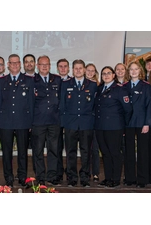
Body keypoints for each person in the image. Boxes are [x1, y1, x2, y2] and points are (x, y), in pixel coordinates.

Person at [0, 54, 35, 187]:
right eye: (11, 63)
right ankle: (8, 177)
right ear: (8, 65)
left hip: (22, 121)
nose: (14, 65)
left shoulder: (29, 80)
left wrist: (30, 122)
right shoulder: (2, 81)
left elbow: (31, 102)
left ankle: (22, 177)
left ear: (20, 64)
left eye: (17, 63)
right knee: (6, 152)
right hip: (5, 122)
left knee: (22, 152)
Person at [60, 59, 97, 187]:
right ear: (72, 70)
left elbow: (94, 105)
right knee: (70, 152)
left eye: (80, 68)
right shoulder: (65, 84)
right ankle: (72, 177)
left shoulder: (92, 85)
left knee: (86, 151)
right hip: (70, 123)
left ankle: (85, 177)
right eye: (76, 68)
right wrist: (64, 123)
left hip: (86, 124)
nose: (78, 70)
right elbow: (62, 105)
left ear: (85, 70)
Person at [94, 66, 132, 188]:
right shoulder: (100, 89)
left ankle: (115, 179)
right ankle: (108, 178)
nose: (106, 75)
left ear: (113, 75)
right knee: (105, 153)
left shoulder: (120, 89)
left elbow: (128, 109)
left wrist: (124, 126)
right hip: (100, 127)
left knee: (115, 153)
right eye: (103, 73)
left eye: (108, 73)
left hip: (115, 127)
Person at [32, 55, 61, 186]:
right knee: (37, 150)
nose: (44, 66)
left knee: (53, 149)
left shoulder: (58, 79)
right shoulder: (32, 80)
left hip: (54, 121)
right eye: (42, 64)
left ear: (50, 66)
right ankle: (40, 176)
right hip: (38, 121)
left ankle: (52, 175)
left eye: (47, 64)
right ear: (37, 66)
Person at [123, 61, 151, 188]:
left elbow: (149, 106)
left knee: (142, 151)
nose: (134, 71)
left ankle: (142, 179)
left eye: (136, 69)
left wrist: (147, 123)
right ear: (128, 72)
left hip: (141, 122)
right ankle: (130, 178)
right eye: (131, 69)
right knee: (128, 151)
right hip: (128, 122)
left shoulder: (146, 86)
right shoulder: (124, 86)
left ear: (140, 71)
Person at [56, 58, 70, 182]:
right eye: (60, 66)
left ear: (69, 68)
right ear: (57, 68)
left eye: (65, 66)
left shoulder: (72, 82)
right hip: (56, 119)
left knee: (70, 148)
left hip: (70, 120)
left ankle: (71, 174)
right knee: (57, 147)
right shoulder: (54, 81)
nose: (63, 69)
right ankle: (59, 173)